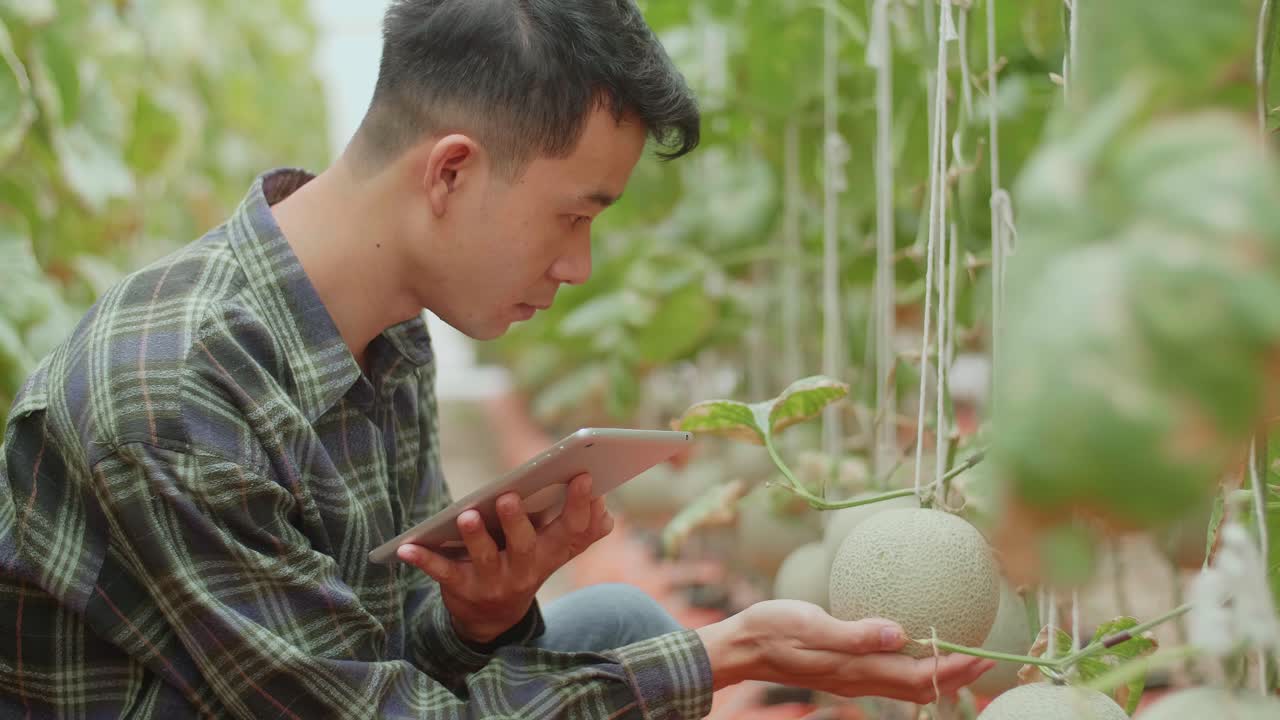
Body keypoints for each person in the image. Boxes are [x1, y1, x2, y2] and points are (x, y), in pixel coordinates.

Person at [0, 0, 993, 717]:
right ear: (450, 172)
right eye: (572, 216)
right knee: (647, 652)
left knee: (606, 622)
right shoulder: (178, 395)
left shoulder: (383, 333)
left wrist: (481, 615)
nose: (578, 266)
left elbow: (392, 654)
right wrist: (731, 651)